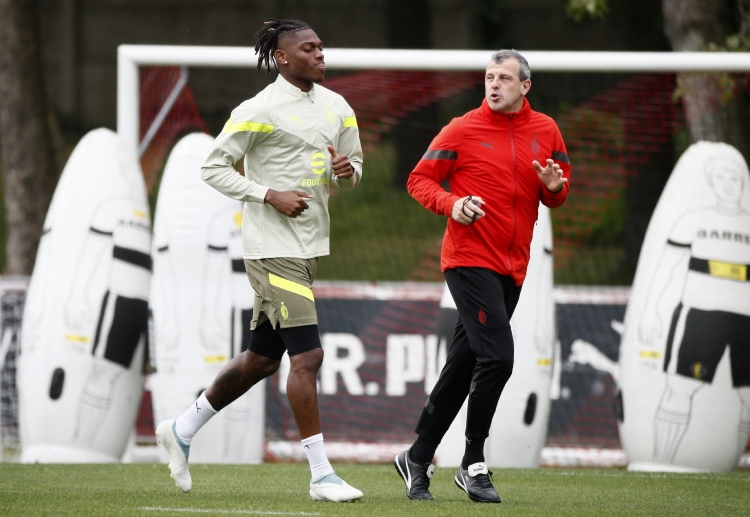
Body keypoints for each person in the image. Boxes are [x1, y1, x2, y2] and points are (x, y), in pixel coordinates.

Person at [155, 18, 364, 503]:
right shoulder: (259, 109)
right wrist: (268, 194)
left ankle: (181, 430)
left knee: (262, 361)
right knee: (307, 356)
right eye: (308, 49)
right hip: (272, 250)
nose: (320, 55)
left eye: (321, 48)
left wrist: (347, 171)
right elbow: (212, 167)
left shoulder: (338, 107)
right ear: (283, 58)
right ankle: (321, 475)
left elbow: (355, 173)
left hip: (309, 248)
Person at [394, 49, 570, 503]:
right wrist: (452, 203)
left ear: (524, 86)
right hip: (469, 261)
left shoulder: (546, 129)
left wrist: (554, 188)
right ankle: (473, 462)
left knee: (465, 364)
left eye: (505, 78)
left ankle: (417, 455)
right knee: (499, 358)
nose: (494, 85)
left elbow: (558, 188)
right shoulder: (462, 128)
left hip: (513, 266)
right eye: (490, 77)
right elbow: (419, 180)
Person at [639, 150, 750, 465]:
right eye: (721, 177)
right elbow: (666, 268)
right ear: (712, 182)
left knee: (747, 397)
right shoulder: (694, 220)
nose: (728, 184)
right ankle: (662, 464)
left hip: (745, 320)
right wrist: (651, 310)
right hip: (701, 315)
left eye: (734, 178)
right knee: (680, 389)